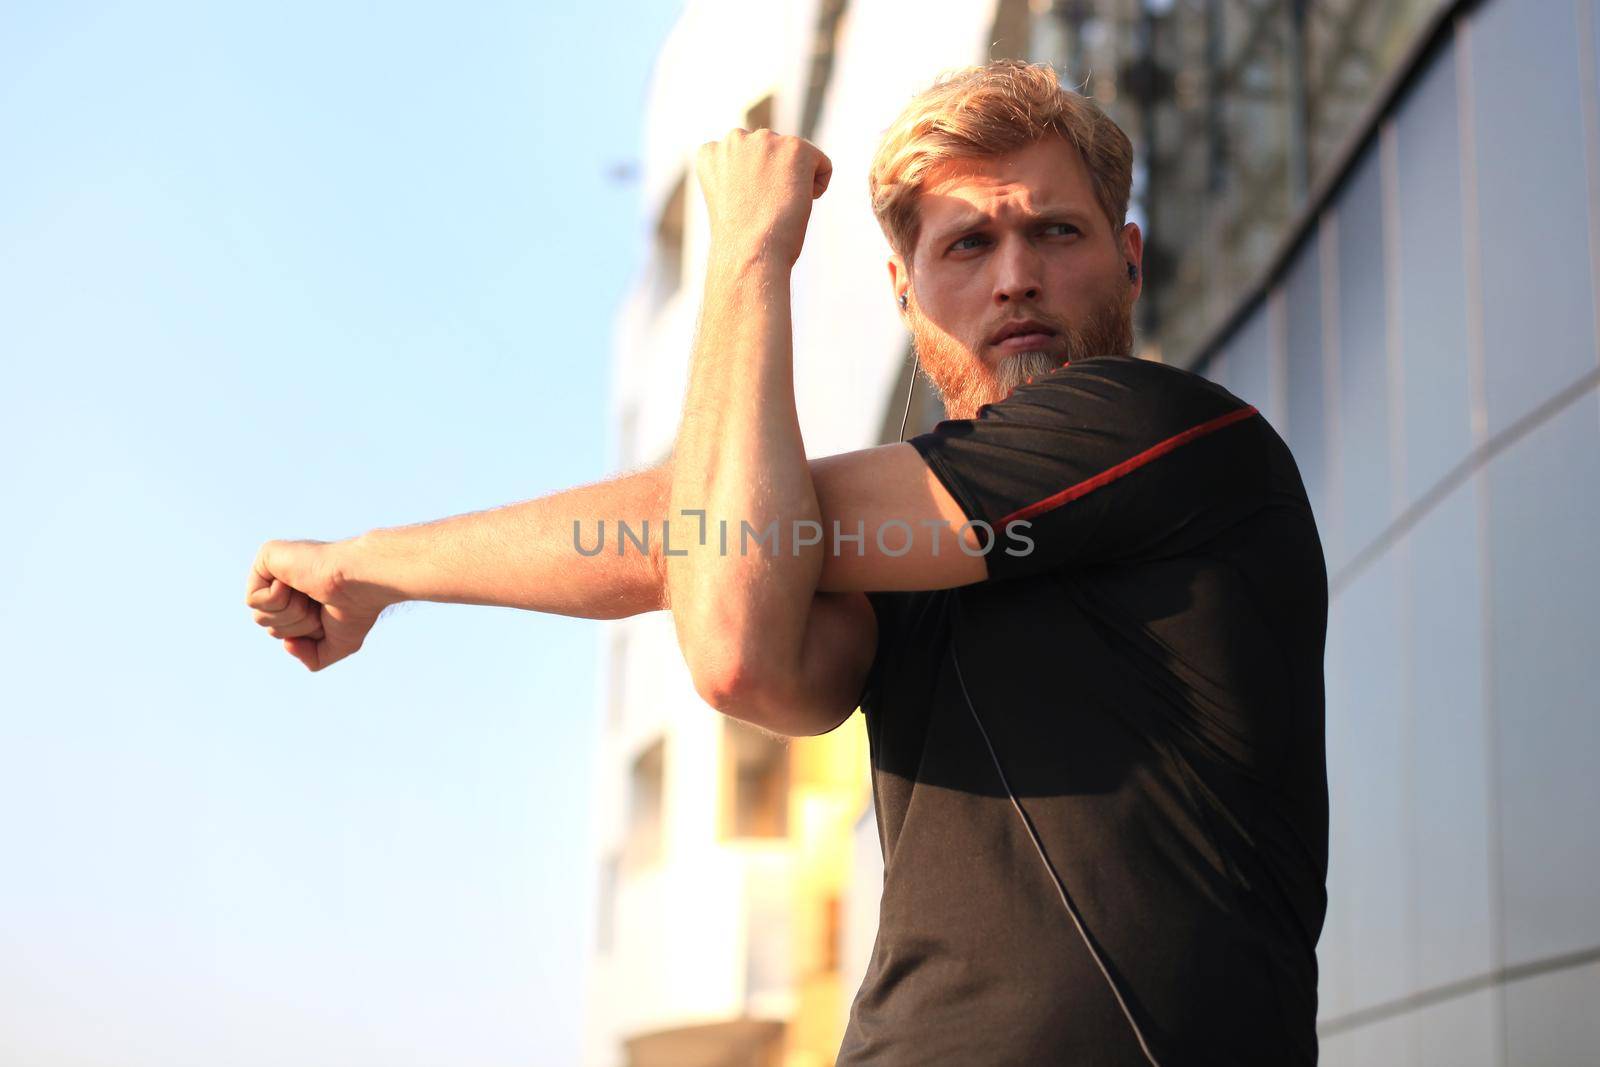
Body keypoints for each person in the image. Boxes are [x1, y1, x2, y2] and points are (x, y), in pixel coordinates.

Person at [245, 59, 1327, 1065]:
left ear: (1127, 261)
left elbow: (723, 553)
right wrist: (366, 567)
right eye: (967, 245)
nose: (1015, 278)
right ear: (904, 291)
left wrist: (749, 249)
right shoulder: (898, 552)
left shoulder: (1165, 431)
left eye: (1055, 232)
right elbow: (740, 638)